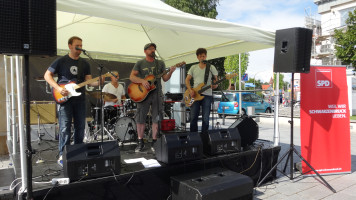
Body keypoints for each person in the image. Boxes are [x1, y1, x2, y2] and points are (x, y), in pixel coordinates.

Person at [44, 36, 99, 167]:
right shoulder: (61, 61)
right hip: (64, 99)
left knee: (80, 127)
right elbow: (47, 75)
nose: (80, 47)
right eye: (77, 45)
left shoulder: (85, 63)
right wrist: (58, 88)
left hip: (80, 99)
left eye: (81, 45)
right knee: (65, 128)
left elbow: (90, 81)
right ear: (69, 46)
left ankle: (79, 153)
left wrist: (99, 82)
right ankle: (63, 155)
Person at [129, 43, 176, 152]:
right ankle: (140, 141)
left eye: (154, 49)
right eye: (150, 49)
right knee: (140, 119)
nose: (153, 50)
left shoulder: (160, 63)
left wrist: (171, 72)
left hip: (157, 93)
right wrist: (142, 81)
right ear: (145, 51)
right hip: (142, 95)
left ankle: (155, 141)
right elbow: (132, 77)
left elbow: (164, 78)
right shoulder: (140, 63)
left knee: (157, 118)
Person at [185, 48, 218, 133]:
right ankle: (193, 138)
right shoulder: (193, 67)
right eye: (200, 56)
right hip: (194, 95)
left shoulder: (211, 67)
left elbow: (216, 81)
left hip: (207, 95)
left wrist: (215, 85)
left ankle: (204, 138)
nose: (202, 58)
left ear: (206, 56)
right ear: (197, 57)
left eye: (204, 56)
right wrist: (190, 90)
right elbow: (187, 80)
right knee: (193, 118)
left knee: (206, 118)